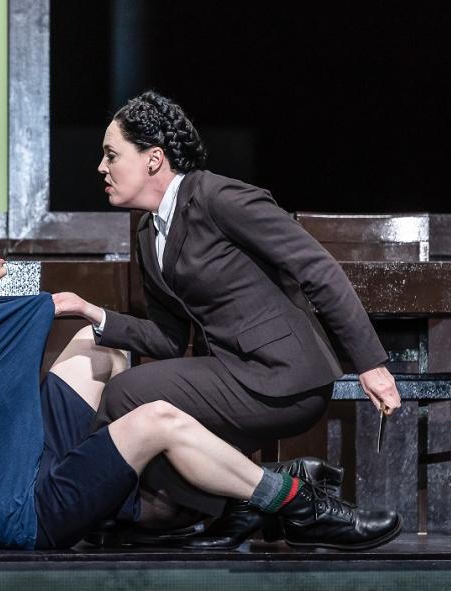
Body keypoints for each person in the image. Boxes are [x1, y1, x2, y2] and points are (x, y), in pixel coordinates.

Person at [0, 194, 401, 553]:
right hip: (26, 516)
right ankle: (295, 502)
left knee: (100, 347)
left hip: (39, 464)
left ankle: (136, 496)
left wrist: (82, 308)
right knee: (156, 418)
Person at [52, 91, 404, 548]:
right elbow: (167, 338)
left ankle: (291, 505)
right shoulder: (147, 233)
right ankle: (260, 496)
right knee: (143, 409)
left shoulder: (219, 197)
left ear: (153, 159)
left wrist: (371, 364)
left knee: (128, 393)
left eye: (112, 155)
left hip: (283, 374)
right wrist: (93, 313)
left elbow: (316, 268)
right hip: (232, 372)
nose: (101, 167)